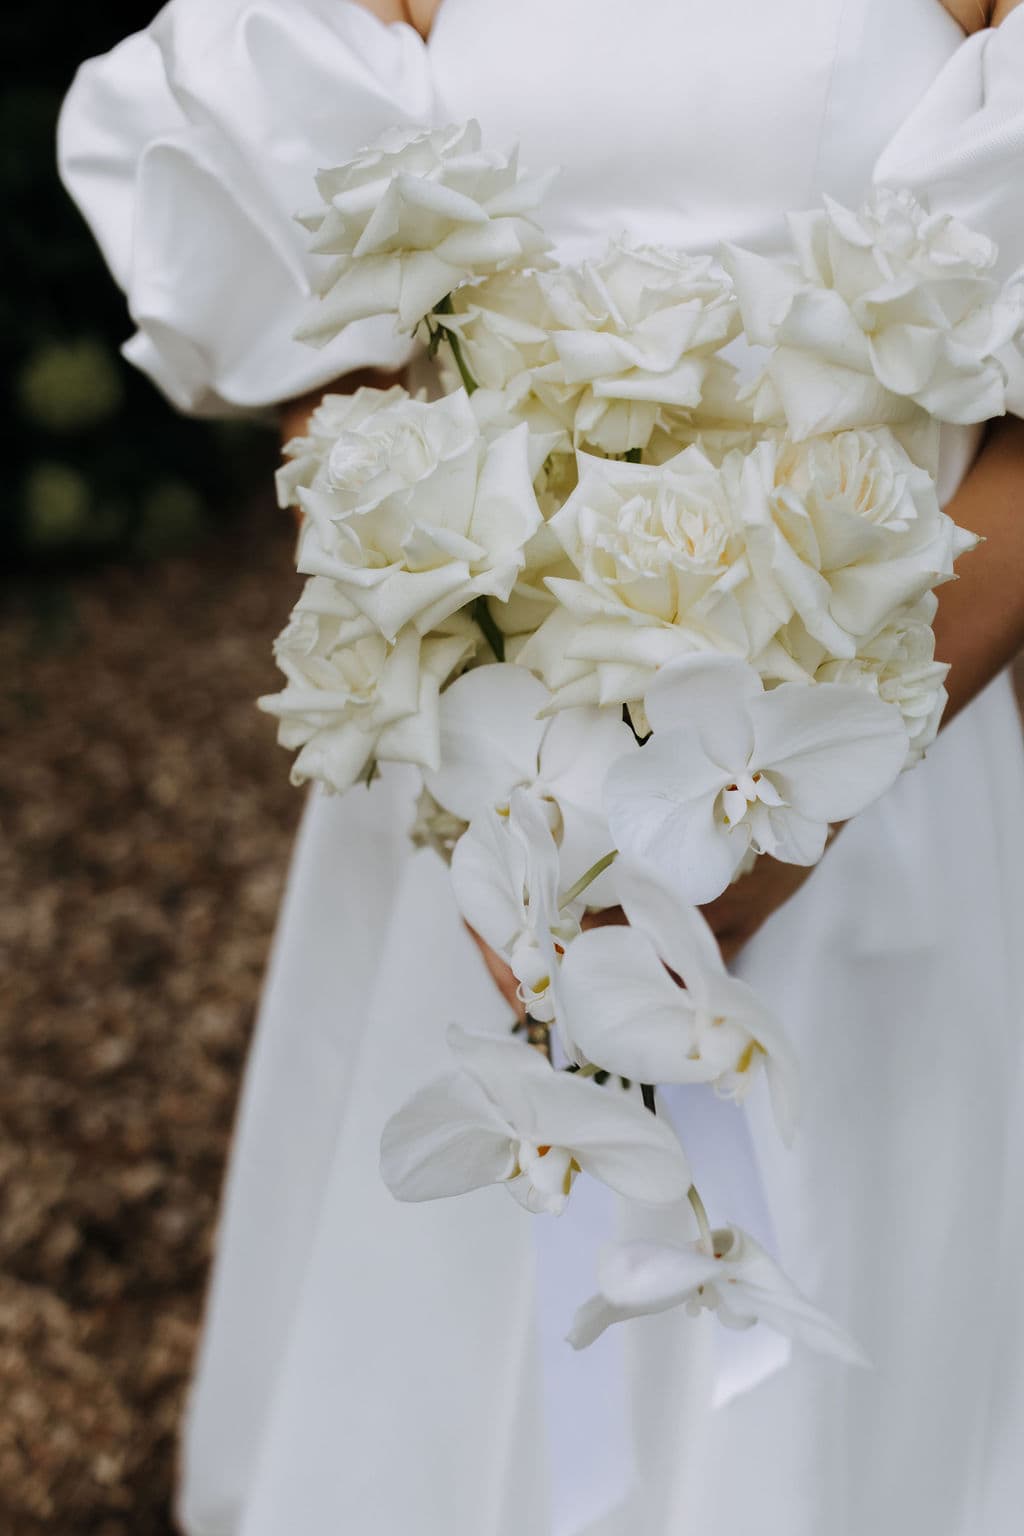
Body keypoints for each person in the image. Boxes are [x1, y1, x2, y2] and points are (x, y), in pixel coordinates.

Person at [59, 2, 1024, 1532]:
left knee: (818, 1308)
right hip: (483, 780)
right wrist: (455, 665)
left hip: (856, 770)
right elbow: (349, 347)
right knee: (464, 1290)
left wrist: (795, 802)